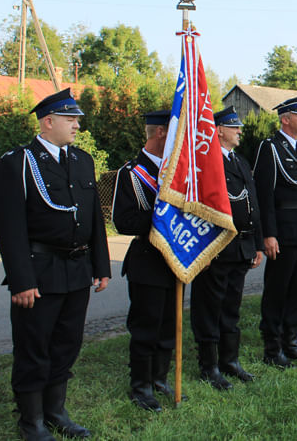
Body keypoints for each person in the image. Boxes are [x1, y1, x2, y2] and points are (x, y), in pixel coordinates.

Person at [0, 88, 110, 439]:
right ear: (48, 122)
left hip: (77, 270)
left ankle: (55, 411)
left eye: (77, 119)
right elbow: (9, 226)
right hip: (39, 271)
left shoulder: (82, 161)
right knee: (34, 347)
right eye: (70, 119)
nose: (77, 125)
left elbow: (94, 220)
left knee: (66, 344)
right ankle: (31, 422)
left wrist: (101, 266)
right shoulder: (18, 162)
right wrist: (21, 280)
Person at [190, 106, 263, 388]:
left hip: (241, 245)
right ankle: (209, 366)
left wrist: (256, 243)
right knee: (209, 308)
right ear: (218, 129)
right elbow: (198, 208)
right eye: (234, 127)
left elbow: (252, 205)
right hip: (217, 248)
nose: (240, 131)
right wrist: (201, 249)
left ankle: (229, 361)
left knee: (231, 307)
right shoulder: (205, 163)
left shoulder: (240, 162)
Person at [112, 110, 176, 412]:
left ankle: (160, 378)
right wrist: (162, 218)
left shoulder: (177, 171)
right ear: (161, 133)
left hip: (175, 259)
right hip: (147, 261)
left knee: (168, 325)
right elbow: (122, 221)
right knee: (146, 327)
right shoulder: (131, 172)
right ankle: (141, 386)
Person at [253, 96, 297, 367]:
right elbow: (264, 195)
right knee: (278, 290)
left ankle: (291, 341)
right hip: (283, 232)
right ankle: (273, 346)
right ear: (285, 119)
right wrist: (268, 234)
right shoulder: (270, 148)